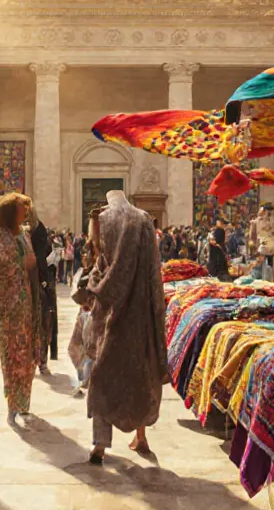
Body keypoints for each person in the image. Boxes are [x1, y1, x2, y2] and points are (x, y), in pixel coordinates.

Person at [84, 199, 167, 464]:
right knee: (140, 375)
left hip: (108, 313)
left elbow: (99, 266)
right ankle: (141, 436)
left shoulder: (102, 219)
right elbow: (154, 271)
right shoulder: (143, 220)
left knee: (101, 376)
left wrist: (94, 287)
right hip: (139, 313)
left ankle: (100, 444)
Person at [0, 193, 38, 425]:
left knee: (26, 351)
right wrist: (20, 263)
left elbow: (32, 257)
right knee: (12, 352)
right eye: (21, 208)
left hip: (26, 300)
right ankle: (12, 402)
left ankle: (23, 401)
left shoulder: (24, 234)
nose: (25, 212)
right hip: (9, 304)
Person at [27, 204, 58, 372]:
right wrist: (45, 279)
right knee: (42, 323)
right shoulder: (36, 231)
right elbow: (41, 256)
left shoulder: (32, 231)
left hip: (34, 282)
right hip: (38, 283)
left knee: (39, 323)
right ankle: (41, 360)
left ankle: (38, 359)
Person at [250, 203, 274, 281]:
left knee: (268, 267)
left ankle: (267, 280)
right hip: (260, 247)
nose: (269, 213)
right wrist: (253, 246)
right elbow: (252, 236)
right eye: (268, 211)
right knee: (259, 266)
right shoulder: (256, 221)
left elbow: (273, 233)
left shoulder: (272, 220)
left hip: (270, 247)